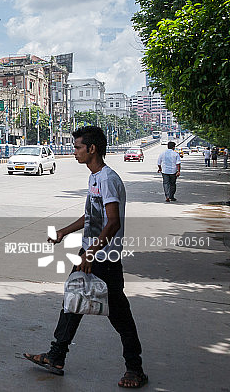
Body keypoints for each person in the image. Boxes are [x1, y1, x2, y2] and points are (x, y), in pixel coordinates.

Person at [23, 126, 147, 389]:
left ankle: (135, 369)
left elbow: (112, 223)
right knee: (72, 302)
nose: (74, 151)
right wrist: (63, 232)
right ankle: (56, 356)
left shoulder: (107, 179)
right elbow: (91, 217)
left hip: (105, 257)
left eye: (77, 147)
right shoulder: (94, 179)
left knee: (119, 314)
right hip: (90, 253)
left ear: (92, 149)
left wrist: (91, 253)